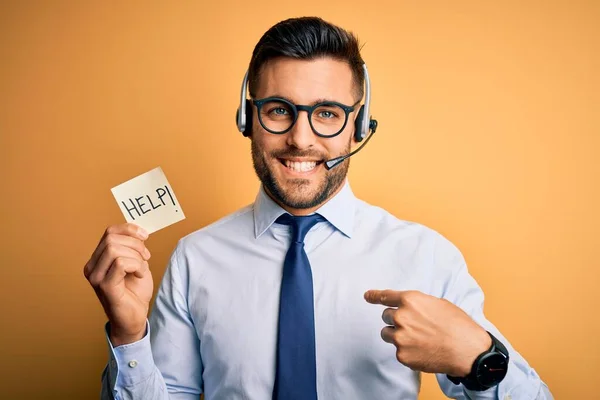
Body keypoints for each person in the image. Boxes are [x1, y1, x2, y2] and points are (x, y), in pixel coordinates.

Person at [84, 16, 554, 400]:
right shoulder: (194, 259)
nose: (302, 138)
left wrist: (478, 356)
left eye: (327, 113)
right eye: (278, 109)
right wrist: (129, 334)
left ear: (359, 126)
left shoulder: (426, 256)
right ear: (248, 119)